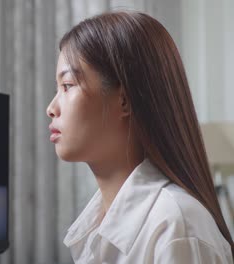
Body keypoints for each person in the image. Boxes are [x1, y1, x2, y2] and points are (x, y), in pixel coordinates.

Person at [46, 11, 233, 263]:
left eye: (67, 86)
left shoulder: (177, 227)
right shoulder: (95, 227)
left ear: (124, 100)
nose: (51, 108)